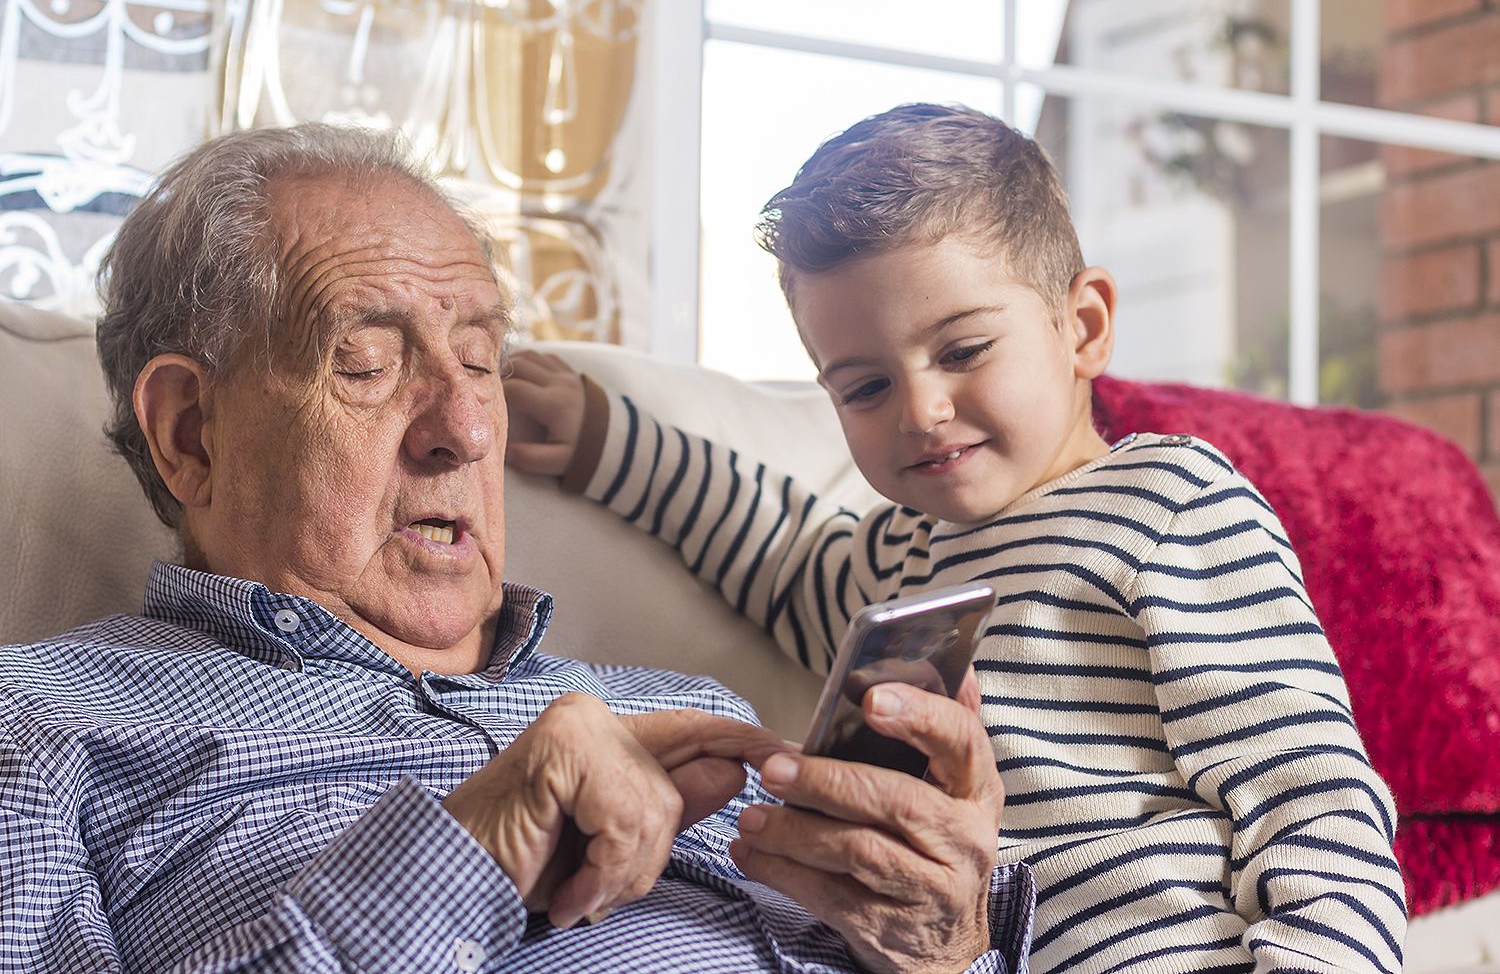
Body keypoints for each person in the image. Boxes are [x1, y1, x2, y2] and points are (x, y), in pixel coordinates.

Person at [0, 123, 1039, 973]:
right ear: (191, 432)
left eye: (480, 360)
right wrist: (467, 857)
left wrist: (945, 944)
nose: (466, 428)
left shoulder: (694, 717)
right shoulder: (42, 727)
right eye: (367, 363)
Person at [503, 103, 1407, 973]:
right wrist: (608, 444)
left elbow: (1309, 791)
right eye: (866, 388)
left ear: (1083, 326)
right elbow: (773, 549)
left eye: (964, 351)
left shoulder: (1170, 502)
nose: (922, 411)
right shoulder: (897, 557)